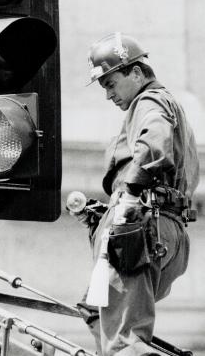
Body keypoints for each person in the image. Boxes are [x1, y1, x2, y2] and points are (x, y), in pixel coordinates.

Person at [75, 32, 199, 356]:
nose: (108, 95)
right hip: (160, 231)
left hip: (139, 232)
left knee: (126, 344)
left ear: (136, 71)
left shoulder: (150, 102)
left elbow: (154, 146)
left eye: (111, 84)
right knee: (95, 306)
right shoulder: (166, 106)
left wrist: (129, 196)